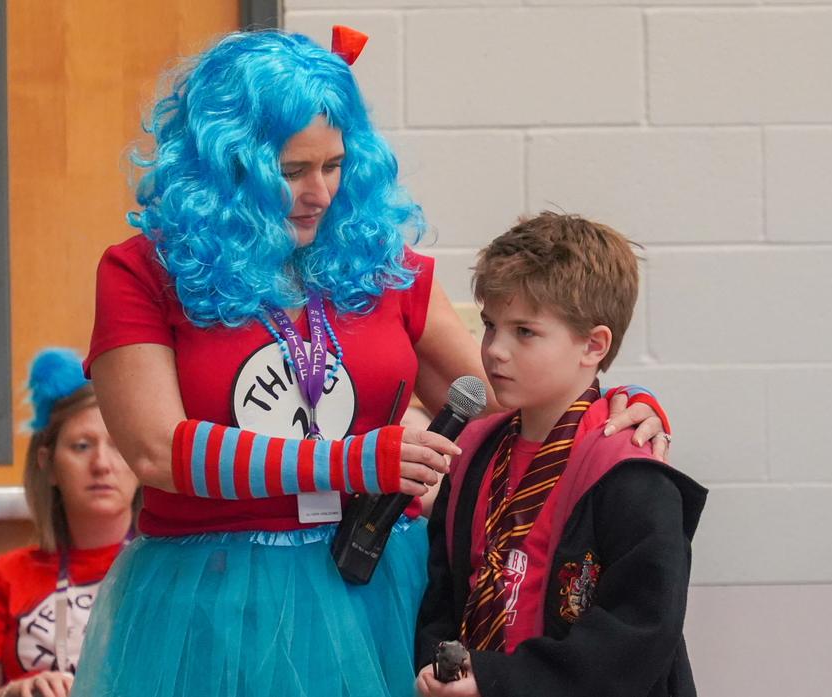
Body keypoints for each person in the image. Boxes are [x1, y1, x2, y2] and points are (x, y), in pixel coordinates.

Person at [73, 30, 668, 697]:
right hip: (212, 600)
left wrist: (612, 406)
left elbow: (508, 397)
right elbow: (156, 451)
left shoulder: (379, 264)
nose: (321, 192)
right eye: (291, 171)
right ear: (226, 164)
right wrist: (354, 461)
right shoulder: (143, 271)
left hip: (375, 580)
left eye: (334, 164)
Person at [413, 213, 707, 697]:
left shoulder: (628, 470)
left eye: (524, 332)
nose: (495, 350)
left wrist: (502, 680)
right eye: (490, 325)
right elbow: (443, 590)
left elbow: (641, 631)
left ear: (593, 345)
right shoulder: (473, 453)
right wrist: (436, 662)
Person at [0, 349, 141, 697]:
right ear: (48, 463)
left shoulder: (172, 571)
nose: (102, 464)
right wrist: (14, 692)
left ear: (141, 460)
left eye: (118, 446)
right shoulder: (4, 577)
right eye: (81, 446)